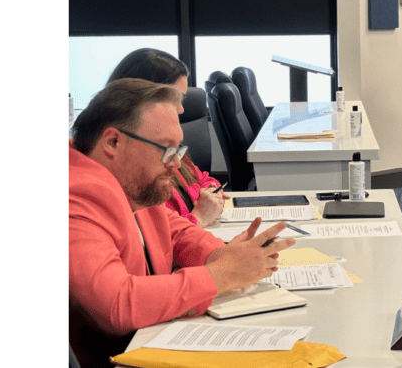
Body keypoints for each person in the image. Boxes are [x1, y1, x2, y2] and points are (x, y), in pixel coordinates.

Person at [69, 78, 295, 367]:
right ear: (113, 142)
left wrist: (220, 254)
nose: (176, 164)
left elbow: (175, 231)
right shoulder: (75, 196)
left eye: (177, 150)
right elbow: (116, 305)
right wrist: (221, 275)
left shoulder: (127, 184)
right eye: (166, 149)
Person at [107, 48, 225, 227]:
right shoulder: (128, 160)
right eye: (174, 99)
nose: (181, 109)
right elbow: (150, 237)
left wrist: (210, 193)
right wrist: (198, 218)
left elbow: (201, 178)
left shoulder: (164, 142)